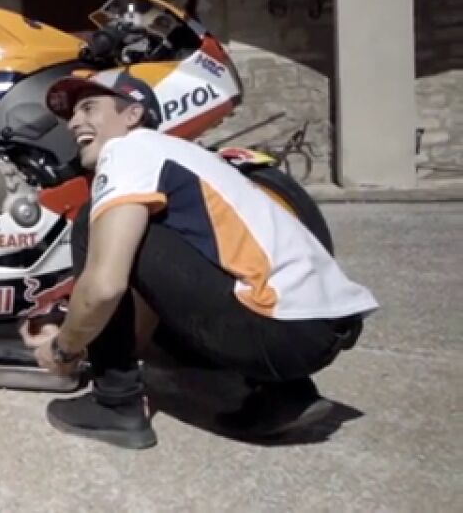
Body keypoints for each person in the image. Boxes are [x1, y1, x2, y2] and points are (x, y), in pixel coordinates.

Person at [23, 68, 378, 449]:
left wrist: (64, 348)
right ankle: (286, 395)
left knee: (95, 224)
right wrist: (97, 336)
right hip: (318, 329)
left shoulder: (128, 149)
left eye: (89, 107)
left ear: (132, 114)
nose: (74, 122)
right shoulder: (185, 155)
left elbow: (105, 287)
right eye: (73, 114)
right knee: (135, 244)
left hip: (278, 331)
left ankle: (115, 403)